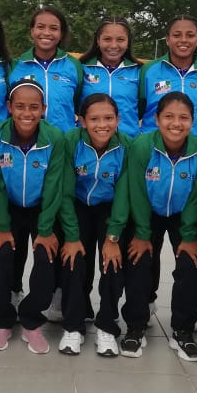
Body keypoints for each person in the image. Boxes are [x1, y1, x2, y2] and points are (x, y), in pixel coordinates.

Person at [107, 92, 197, 359]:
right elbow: (136, 191)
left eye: (183, 118)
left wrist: (189, 235)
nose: (176, 123)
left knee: (190, 263)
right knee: (139, 262)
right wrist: (141, 233)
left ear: (193, 121)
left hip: (182, 214)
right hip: (147, 211)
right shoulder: (142, 146)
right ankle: (135, 326)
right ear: (156, 119)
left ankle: (183, 329)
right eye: (169, 117)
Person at [0, 80, 67, 353]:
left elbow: (55, 185)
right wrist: (2, 226)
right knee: (2, 255)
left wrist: (45, 229)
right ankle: (2, 319)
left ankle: (31, 319)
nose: (26, 113)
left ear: (43, 109)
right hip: (9, 208)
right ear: (9, 107)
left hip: (42, 209)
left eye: (33, 107)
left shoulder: (55, 138)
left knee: (45, 257)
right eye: (19, 107)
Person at [57, 94, 133, 355]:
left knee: (113, 262)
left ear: (118, 120)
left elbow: (124, 194)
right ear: (82, 121)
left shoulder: (127, 146)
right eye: (94, 119)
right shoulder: (70, 142)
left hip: (110, 208)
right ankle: (73, 325)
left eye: (109, 118)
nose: (102, 125)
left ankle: (107, 324)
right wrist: (70, 234)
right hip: (76, 205)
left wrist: (112, 239)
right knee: (74, 259)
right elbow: (64, 192)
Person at [138, 15, 197, 142]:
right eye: (177, 35)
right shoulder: (148, 70)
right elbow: (137, 111)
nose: (184, 40)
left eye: (190, 35)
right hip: (155, 149)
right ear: (167, 39)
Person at [8, 7, 83, 132]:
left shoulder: (74, 65)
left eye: (53, 28)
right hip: (26, 144)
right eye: (40, 27)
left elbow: (79, 104)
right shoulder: (16, 66)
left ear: (61, 34)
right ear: (32, 31)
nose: (47, 33)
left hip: (64, 143)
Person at [77, 18, 142, 138]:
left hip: (127, 142)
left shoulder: (139, 71)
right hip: (87, 141)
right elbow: (75, 103)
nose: (113, 45)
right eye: (107, 39)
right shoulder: (82, 69)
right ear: (98, 40)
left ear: (128, 42)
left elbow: (143, 106)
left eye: (120, 40)